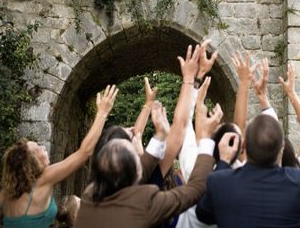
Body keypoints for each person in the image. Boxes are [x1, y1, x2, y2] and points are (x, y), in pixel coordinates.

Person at [74, 85, 230, 228]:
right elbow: (195, 189)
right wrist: (207, 137)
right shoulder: (144, 203)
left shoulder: (89, 195)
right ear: (136, 173)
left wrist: (160, 135)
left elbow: (144, 162)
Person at [0, 86, 119, 228]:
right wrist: (102, 113)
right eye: (39, 149)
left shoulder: (8, 191)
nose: (44, 148)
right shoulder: (43, 179)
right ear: (33, 164)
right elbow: (84, 152)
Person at [195, 114, 300, 227]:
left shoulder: (218, 181)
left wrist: (223, 162)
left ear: (243, 145)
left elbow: (203, 214)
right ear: (281, 147)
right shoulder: (298, 180)